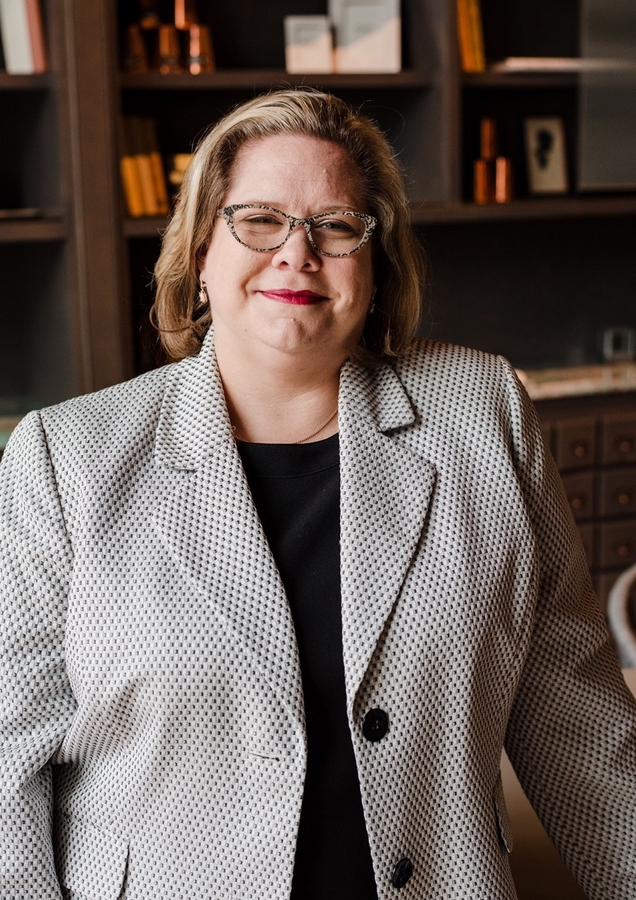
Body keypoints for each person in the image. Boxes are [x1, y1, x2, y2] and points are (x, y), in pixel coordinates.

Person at [0, 88, 635, 900]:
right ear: (201, 255)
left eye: (335, 227)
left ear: (374, 265)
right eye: (259, 220)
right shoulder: (66, 457)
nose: (296, 253)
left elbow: (578, 719)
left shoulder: (483, 414)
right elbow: (9, 758)